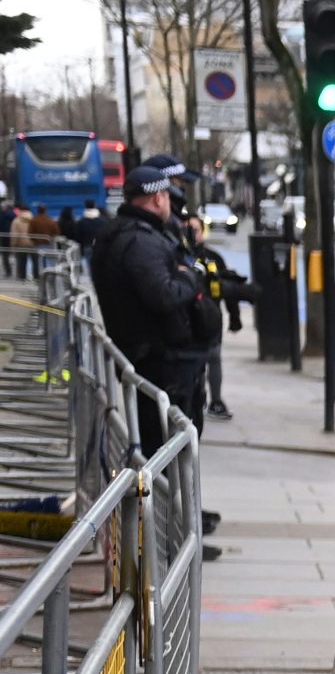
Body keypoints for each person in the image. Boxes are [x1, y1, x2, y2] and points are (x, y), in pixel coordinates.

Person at [90, 165, 217, 457]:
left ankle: (169, 489)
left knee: (163, 447)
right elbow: (164, 295)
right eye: (168, 197)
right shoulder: (140, 240)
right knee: (168, 448)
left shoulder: (119, 232)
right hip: (163, 362)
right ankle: (167, 490)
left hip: (149, 357)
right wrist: (189, 276)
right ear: (159, 198)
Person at [185, 212, 255, 420]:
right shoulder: (179, 256)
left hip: (210, 317)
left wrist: (235, 317)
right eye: (187, 230)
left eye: (195, 230)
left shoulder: (213, 258)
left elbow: (228, 287)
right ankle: (196, 399)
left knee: (213, 356)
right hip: (187, 319)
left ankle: (215, 400)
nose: (192, 235)